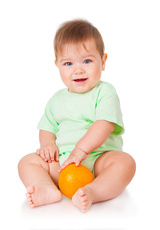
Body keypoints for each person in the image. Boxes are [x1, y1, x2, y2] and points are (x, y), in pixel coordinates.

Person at [18, 19, 136, 213]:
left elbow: (104, 124)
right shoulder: (56, 100)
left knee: (125, 163)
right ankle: (48, 188)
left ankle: (93, 191)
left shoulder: (105, 92)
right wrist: (47, 145)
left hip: (99, 162)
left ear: (103, 61)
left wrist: (80, 151)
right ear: (57, 65)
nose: (78, 69)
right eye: (68, 63)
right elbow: (46, 128)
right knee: (26, 162)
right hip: (63, 164)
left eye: (87, 61)